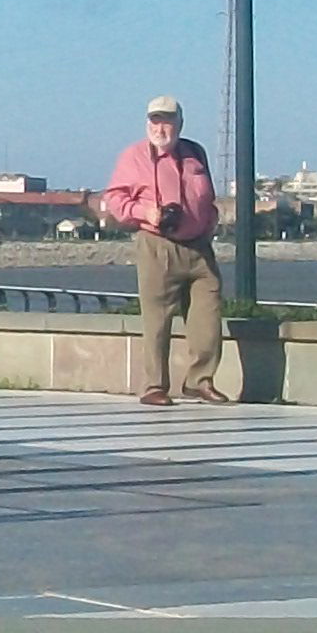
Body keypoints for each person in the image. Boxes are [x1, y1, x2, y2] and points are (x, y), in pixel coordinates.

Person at [101, 95, 226, 406]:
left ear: (180, 124)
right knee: (157, 320)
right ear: (147, 124)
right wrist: (147, 212)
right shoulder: (133, 157)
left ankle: (200, 380)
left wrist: (209, 220)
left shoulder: (196, 153)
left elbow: (206, 195)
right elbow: (115, 200)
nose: (160, 128)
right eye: (155, 121)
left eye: (167, 121)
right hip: (157, 246)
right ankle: (154, 386)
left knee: (207, 316)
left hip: (198, 247)